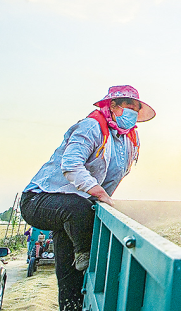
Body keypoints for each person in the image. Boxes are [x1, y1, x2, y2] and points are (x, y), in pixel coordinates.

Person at [20, 85, 155, 311]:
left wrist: (106, 202)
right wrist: (99, 194)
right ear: (112, 105)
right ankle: (86, 256)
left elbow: (112, 181)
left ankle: (72, 300)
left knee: (70, 281)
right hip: (41, 200)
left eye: (136, 108)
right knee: (82, 208)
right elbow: (71, 165)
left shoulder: (128, 141)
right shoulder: (92, 126)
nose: (133, 112)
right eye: (129, 106)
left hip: (73, 214)